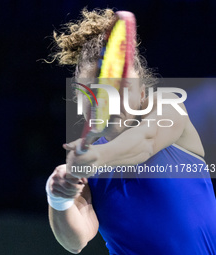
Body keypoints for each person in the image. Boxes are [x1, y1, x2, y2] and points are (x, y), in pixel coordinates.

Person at [46, 8, 216, 254]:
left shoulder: (168, 107)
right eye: (94, 91)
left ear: (143, 93)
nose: (108, 99)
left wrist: (98, 158)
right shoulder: (85, 172)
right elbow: (75, 241)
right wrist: (58, 197)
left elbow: (146, 140)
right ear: (77, 101)